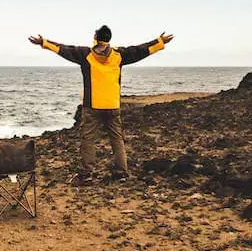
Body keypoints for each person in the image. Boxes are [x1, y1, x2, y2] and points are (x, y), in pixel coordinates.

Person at [28, 26, 174, 184]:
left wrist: (44, 42)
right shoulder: (119, 54)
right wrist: (159, 42)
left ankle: (87, 174)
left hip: (92, 105)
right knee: (117, 139)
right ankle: (121, 172)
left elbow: (64, 49)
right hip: (112, 104)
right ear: (109, 38)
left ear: (96, 37)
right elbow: (140, 50)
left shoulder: (86, 55)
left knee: (88, 139)